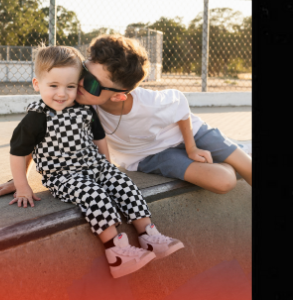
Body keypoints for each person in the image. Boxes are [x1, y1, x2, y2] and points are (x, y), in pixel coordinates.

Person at [1, 34, 252, 198]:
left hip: (192, 133)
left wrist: (191, 146)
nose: (77, 85)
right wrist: (19, 179)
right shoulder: (76, 100)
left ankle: (232, 152)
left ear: (119, 95)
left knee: (248, 167)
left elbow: (180, 104)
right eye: (83, 73)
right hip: (149, 155)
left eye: (91, 84)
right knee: (225, 180)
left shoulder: (149, 102)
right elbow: (36, 130)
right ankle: (228, 157)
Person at [9, 46, 184, 279]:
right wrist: (22, 185)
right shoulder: (37, 117)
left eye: (70, 86)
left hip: (94, 166)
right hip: (64, 176)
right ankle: (117, 252)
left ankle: (149, 235)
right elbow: (18, 152)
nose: (62, 93)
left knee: (123, 184)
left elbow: (98, 137)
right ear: (36, 84)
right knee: (94, 196)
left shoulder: (83, 109)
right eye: (53, 86)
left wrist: (107, 165)